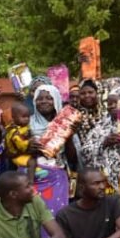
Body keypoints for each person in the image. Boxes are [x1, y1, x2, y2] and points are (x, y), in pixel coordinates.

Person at [27, 84, 73, 212]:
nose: (44, 101)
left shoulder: (65, 123)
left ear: (57, 100)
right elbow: (11, 151)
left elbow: (72, 158)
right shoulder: (26, 122)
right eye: (39, 98)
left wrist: (69, 136)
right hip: (30, 178)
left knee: (56, 215)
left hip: (56, 179)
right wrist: (26, 148)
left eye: (49, 98)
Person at [4, 102, 34, 168]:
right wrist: (29, 142)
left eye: (28, 117)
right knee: (32, 162)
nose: (27, 119)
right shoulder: (14, 130)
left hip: (21, 153)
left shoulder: (24, 127)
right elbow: (20, 144)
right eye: (24, 117)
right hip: (15, 155)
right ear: (14, 118)